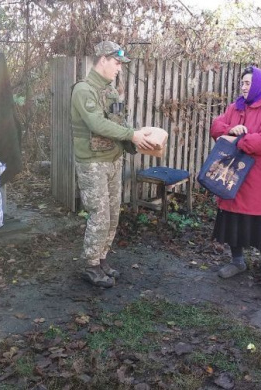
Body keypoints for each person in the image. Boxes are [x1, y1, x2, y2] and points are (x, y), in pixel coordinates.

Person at [71, 40, 155, 288]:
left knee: (112, 214)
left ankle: (101, 258)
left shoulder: (110, 91)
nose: (119, 68)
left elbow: (119, 122)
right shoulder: (83, 91)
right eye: (117, 63)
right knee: (99, 213)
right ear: (103, 60)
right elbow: (97, 125)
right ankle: (90, 265)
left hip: (113, 159)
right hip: (93, 162)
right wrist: (131, 135)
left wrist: (136, 136)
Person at [210, 66, 261, 289]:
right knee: (233, 216)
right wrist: (232, 129)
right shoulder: (235, 107)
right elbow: (216, 126)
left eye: (249, 83)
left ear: (260, 85)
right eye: (243, 83)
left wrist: (238, 141)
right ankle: (237, 261)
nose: (244, 87)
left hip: (260, 176)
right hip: (233, 172)